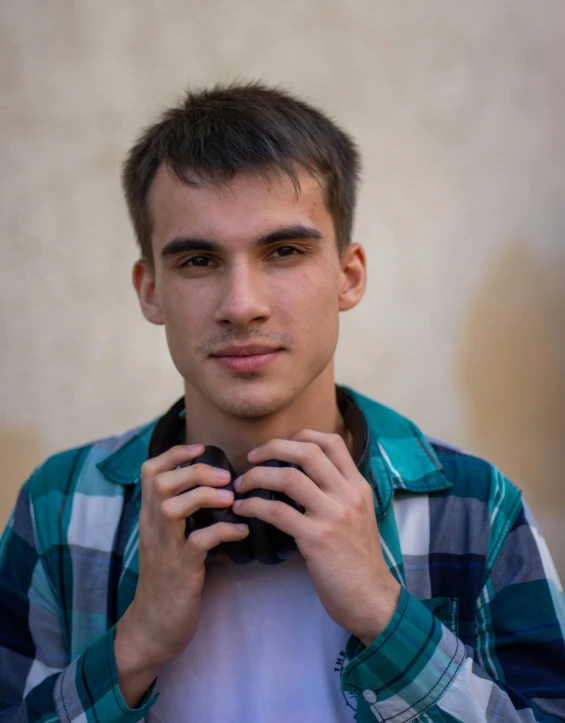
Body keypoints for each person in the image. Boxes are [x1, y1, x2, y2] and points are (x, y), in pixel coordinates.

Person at [0, 82, 564, 723]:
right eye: (198, 260)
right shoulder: (59, 509)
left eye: (285, 251)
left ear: (348, 275)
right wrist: (134, 647)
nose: (242, 304)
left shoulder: (473, 510)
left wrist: (387, 616)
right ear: (150, 290)